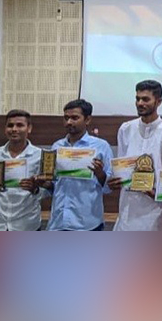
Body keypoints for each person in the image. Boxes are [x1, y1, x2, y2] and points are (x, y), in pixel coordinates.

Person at [109, 80, 162, 231]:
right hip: (128, 206)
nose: (140, 103)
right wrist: (115, 180)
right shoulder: (126, 128)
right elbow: (121, 166)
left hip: (156, 207)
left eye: (145, 99)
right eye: (137, 99)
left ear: (159, 101)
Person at [42, 99, 112, 231]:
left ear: (87, 120)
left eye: (74, 118)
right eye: (66, 118)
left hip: (87, 222)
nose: (69, 122)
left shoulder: (101, 146)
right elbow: (54, 185)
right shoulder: (57, 146)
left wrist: (100, 173)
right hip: (59, 220)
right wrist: (45, 184)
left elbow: (109, 187)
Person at [0, 110, 44, 231]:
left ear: (29, 128)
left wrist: (35, 188)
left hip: (26, 223)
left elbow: (47, 191)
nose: (14, 129)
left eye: (20, 125)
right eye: (10, 125)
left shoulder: (39, 155)